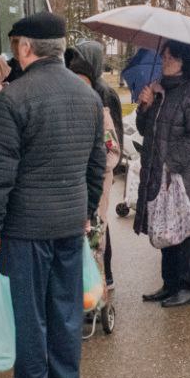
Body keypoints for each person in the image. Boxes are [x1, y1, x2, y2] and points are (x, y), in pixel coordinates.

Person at [0, 12, 105, 378]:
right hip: (70, 224)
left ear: (26, 47)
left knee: (30, 317)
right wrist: (86, 212)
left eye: (16, 44)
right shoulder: (88, 95)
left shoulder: (12, 99)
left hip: (26, 229)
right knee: (66, 313)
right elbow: (96, 165)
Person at [135, 40, 190, 308]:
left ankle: (188, 287)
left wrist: (169, 162)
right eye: (164, 56)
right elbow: (145, 130)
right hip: (160, 172)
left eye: (170, 57)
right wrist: (144, 106)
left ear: (183, 61)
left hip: (182, 175)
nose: (165, 61)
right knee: (165, 225)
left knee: (185, 229)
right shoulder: (161, 90)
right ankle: (170, 284)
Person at [65, 40, 124, 287]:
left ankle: (103, 277)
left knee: (97, 224)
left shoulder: (104, 94)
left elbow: (113, 142)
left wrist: (103, 166)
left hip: (98, 171)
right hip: (82, 171)